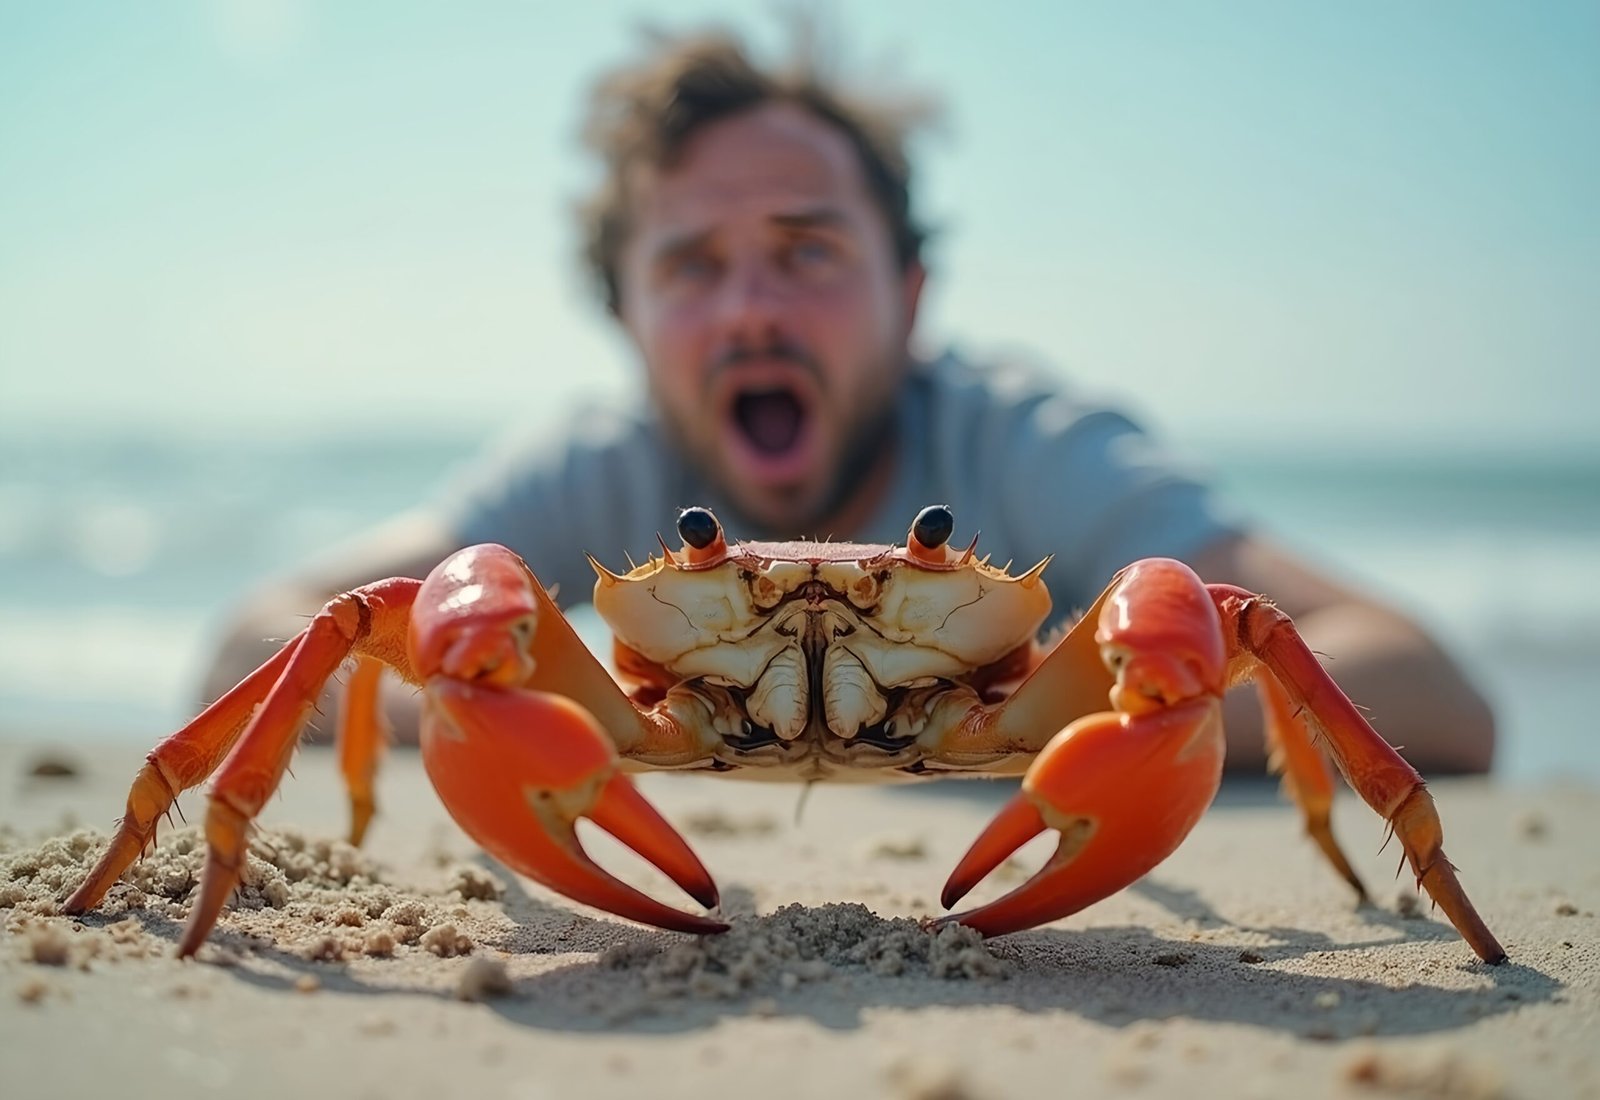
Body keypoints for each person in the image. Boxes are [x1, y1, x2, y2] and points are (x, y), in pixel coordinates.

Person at [199, 29, 1495, 775]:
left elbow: (1431, 684)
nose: (751, 308)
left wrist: (1116, 735)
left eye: (808, 250)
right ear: (626, 318)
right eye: (693, 266)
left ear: (912, 293)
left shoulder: (1026, 442)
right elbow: (264, 632)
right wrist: (507, 725)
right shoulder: (597, 469)